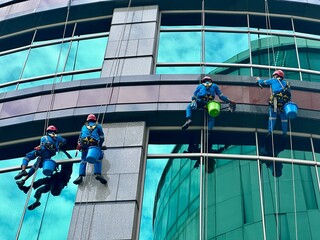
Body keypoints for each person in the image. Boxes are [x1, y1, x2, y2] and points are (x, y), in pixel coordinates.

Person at [73, 114, 107, 185]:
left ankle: (80, 176)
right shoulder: (98, 126)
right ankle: (98, 174)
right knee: (99, 157)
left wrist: (80, 145)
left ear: (87, 120)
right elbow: (101, 137)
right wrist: (99, 146)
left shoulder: (83, 127)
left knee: (83, 160)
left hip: (84, 145)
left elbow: (80, 138)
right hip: (93, 144)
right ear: (95, 120)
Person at [256, 70, 291, 136]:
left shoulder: (273, 80)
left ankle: (270, 131)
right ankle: (284, 133)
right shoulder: (287, 83)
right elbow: (289, 94)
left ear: (276, 75)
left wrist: (258, 79)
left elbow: (263, 82)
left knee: (273, 114)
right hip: (284, 102)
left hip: (276, 99)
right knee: (284, 117)